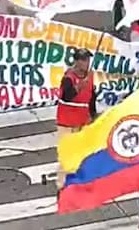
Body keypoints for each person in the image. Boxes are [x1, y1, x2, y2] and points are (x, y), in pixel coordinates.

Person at [55, 48, 95, 188]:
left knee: (82, 153)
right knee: (66, 153)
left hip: (82, 120)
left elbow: (91, 97)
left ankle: (80, 180)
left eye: (88, 59)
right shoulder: (68, 77)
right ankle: (62, 185)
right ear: (77, 62)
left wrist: (92, 115)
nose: (86, 63)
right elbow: (66, 96)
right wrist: (79, 87)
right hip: (67, 121)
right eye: (83, 60)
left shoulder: (90, 76)